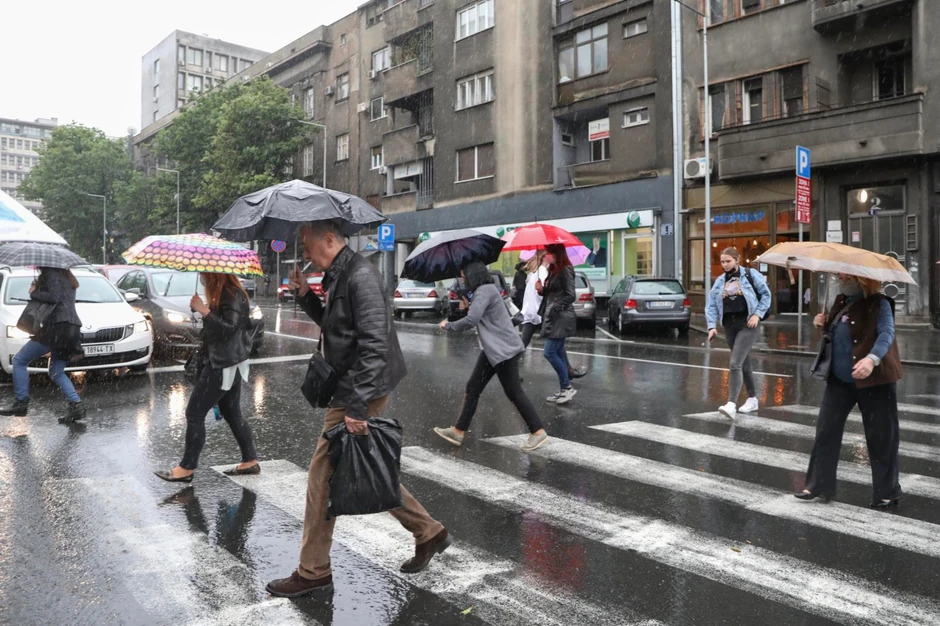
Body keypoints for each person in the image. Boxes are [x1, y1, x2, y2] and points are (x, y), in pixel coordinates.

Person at [266, 220, 450, 598]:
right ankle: (428, 531)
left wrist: (357, 407)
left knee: (322, 479)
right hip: (351, 385)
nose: (305, 251)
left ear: (328, 239)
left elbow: (375, 344)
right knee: (363, 467)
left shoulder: (360, 276)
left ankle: (314, 570)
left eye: (307, 244)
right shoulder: (339, 273)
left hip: (359, 389)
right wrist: (306, 295)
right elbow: (337, 327)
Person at [796, 274, 902, 509]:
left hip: (875, 381)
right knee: (826, 431)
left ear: (862, 280)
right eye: (840, 277)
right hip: (840, 380)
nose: (842, 281)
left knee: (881, 438)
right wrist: (823, 325)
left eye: (847, 278)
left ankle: (887, 492)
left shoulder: (880, 304)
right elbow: (837, 337)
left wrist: (872, 359)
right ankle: (818, 485)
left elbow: (887, 334)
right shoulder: (840, 300)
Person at [154, 273, 259, 483]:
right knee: (232, 413)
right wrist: (205, 310)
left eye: (204, 273)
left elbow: (230, 328)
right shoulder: (228, 292)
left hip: (222, 363)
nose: (202, 276)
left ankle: (187, 467)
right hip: (230, 361)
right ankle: (250, 460)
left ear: (213, 274)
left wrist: (204, 310)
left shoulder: (230, 294)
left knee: (194, 413)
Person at [433, 261, 549, 452]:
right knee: (473, 387)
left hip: (503, 350)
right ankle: (458, 431)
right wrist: (467, 307)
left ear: (472, 275)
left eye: (464, 275)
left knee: (514, 392)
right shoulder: (485, 291)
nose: (463, 279)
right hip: (493, 349)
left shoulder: (484, 291)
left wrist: (449, 325)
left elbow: (472, 320)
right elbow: (479, 315)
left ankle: (538, 431)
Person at [0, 268, 85, 423]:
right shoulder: (67, 277)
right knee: (56, 371)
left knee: (19, 360)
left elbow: (54, 297)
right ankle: (76, 406)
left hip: (56, 328)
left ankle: (21, 402)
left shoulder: (52, 274)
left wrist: (34, 292)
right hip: (71, 328)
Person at [705, 248, 772, 420]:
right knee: (743, 364)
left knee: (735, 363)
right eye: (722, 262)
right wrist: (711, 326)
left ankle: (731, 404)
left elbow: (766, 295)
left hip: (747, 324)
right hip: (729, 326)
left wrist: (757, 315)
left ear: (737, 259)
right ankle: (752, 399)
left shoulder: (750, 275)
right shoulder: (720, 281)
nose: (725, 265)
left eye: (728, 261)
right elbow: (711, 304)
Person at [540, 244, 578, 404]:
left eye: (547, 252)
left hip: (561, 317)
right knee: (559, 353)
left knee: (549, 352)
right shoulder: (553, 269)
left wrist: (555, 306)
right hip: (554, 317)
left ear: (556, 254)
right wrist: (542, 289)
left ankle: (567, 387)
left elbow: (570, 295)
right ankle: (564, 388)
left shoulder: (565, 269)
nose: (545, 255)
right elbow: (553, 292)